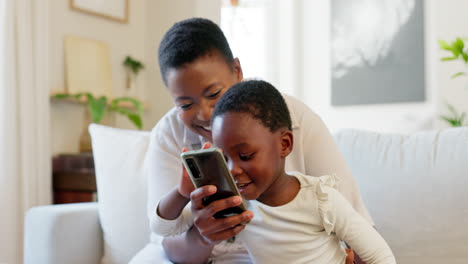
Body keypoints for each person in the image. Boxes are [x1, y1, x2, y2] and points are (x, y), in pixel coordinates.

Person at [131, 18, 373, 263]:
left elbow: (356, 226)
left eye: (214, 94)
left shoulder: (291, 117)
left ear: (237, 71)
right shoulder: (169, 134)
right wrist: (204, 237)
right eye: (185, 104)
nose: (205, 114)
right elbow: (165, 238)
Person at [154, 80, 396, 264]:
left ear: (285, 144)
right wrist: (181, 192)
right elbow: (164, 229)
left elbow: (380, 256)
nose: (233, 170)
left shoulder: (322, 200)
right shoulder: (235, 207)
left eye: (245, 156)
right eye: (224, 158)